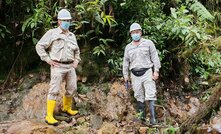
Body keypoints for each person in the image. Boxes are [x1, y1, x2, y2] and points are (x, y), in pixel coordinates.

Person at [35, 9, 81, 126]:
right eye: (64, 20)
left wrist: (76, 60)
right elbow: (39, 46)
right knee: (54, 90)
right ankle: (49, 116)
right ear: (59, 21)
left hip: (70, 66)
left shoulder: (72, 35)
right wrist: (47, 59)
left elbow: (77, 51)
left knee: (72, 88)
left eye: (68, 20)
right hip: (57, 66)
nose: (67, 22)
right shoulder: (52, 33)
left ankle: (66, 108)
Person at [122, 22, 161, 126]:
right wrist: (125, 76)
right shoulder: (128, 47)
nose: (135, 34)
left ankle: (153, 121)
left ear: (141, 32)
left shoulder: (148, 43)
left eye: (137, 32)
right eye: (133, 32)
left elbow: (155, 57)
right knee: (139, 95)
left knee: (151, 94)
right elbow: (125, 62)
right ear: (130, 34)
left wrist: (156, 70)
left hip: (147, 72)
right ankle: (142, 120)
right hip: (134, 75)